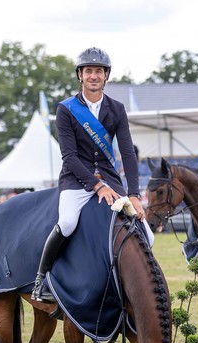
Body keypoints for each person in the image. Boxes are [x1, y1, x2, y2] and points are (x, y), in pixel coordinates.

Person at [32, 47, 144, 302]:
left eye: (99, 71)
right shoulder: (66, 109)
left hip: (111, 180)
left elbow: (127, 153)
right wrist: (97, 186)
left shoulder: (117, 109)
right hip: (75, 181)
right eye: (89, 71)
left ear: (106, 76)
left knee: (145, 232)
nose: (94, 76)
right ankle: (42, 279)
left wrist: (135, 194)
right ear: (80, 75)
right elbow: (69, 156)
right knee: (68, 222)